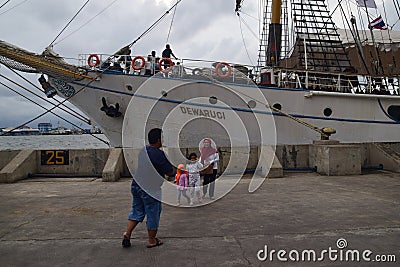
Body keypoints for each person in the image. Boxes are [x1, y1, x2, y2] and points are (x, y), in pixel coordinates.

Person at [122, 128, 173, 248]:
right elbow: (170, 171)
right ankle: (151, 240)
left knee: (137, 210)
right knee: (152, 213)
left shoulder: (143, 150)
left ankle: (127, 234)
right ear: (159, 140)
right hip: (151, 188)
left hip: (136, 185)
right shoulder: (159, 154)